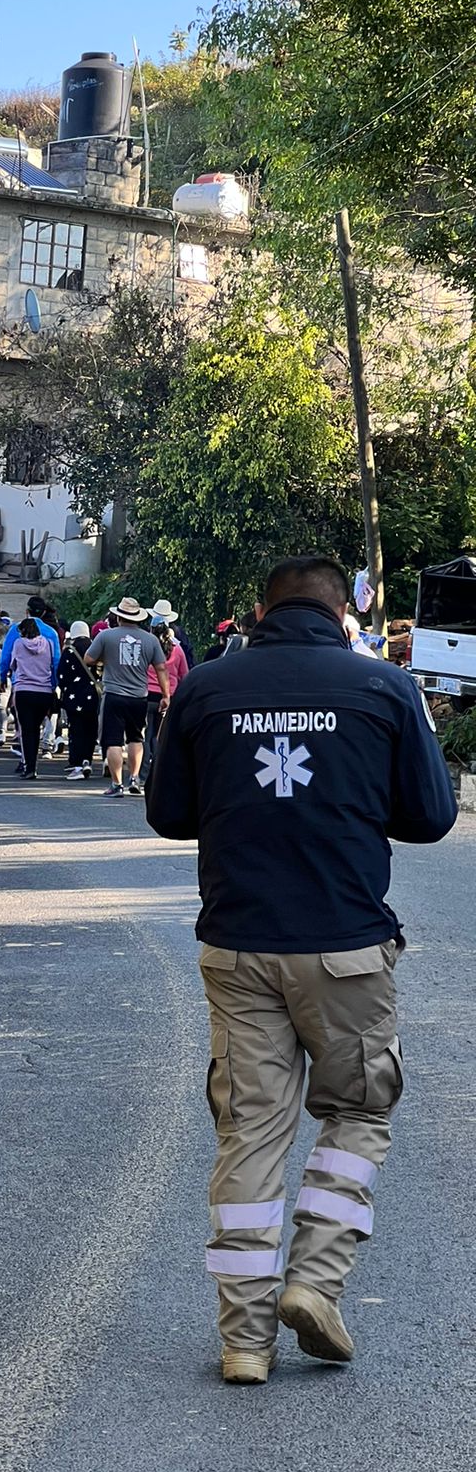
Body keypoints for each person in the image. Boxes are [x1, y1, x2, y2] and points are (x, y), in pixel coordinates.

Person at [147, 555, 457, 1387]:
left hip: (238, 947)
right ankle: (315, 1284)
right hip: (346, 947)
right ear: (342, 616)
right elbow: (429, 817)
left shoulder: (207, 688)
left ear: (260, 610)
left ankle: (244, 1341)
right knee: (358, 1113)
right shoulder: (384, 690)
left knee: (250, 1131)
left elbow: (168, 813)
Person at [84, 597, 170, 797]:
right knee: (136, 738)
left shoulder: (106, 636)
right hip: (139, 696)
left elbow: (88, 658)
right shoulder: (151, 640)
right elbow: (161, 668)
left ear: (118, 616)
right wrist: (166, 695)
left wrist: (107, 658)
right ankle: (134, 778)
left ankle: (116, 784)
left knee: (113, 741)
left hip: (114, 694)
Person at [7, 617, 58, 779]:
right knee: (36, 729)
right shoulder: (48, 643)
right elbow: (52, 664)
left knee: (27, 730)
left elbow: (13, 665)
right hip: (44, 692)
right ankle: (34, 764)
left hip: (24, 690)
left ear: (23, 631)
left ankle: (29, 766)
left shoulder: (18, 644)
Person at [140, 620, 189, 781]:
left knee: (146, 736)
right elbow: (185, 675)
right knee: (161, 736)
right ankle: (159, 772)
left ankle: (144, 773)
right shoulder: (178, 650)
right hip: (169, 697)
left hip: (147, 695)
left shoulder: (146, 647)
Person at [59, 631, 99, 780]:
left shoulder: (69, 651)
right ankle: (87, 760)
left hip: (73, 697)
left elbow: (61, 675)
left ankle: (77, 765)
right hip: (93, 696)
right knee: (90, 730)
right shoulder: (95, 648)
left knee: (76, 730)